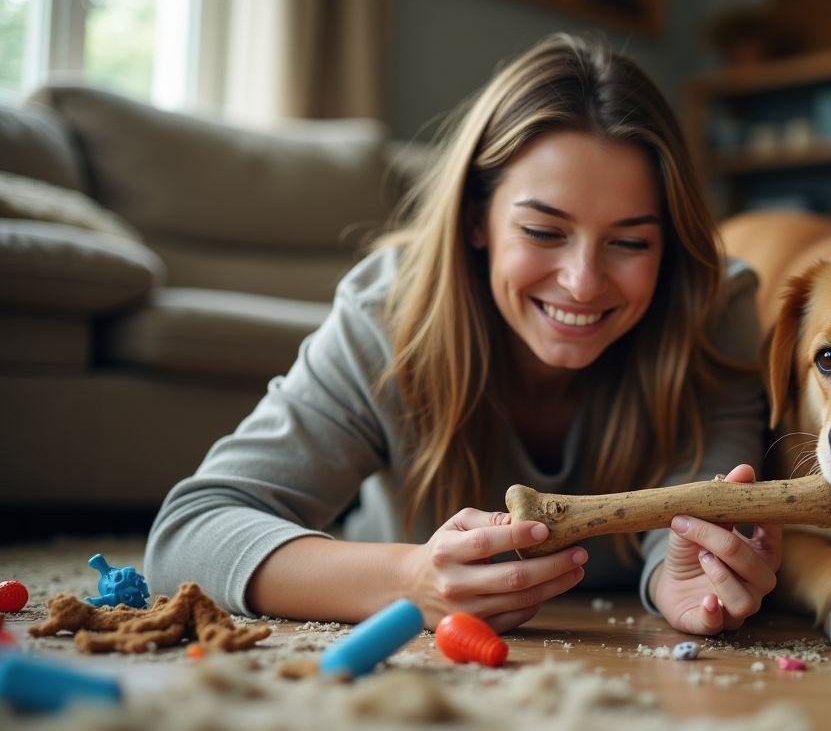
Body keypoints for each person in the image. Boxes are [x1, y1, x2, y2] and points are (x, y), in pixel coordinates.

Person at [145, 33, 778, 636]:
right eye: (543, 231)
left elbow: (693, 525)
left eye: (631, 241)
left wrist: (685, 577)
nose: (583, 283)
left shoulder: (714, 306)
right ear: (478, 219)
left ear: (668, 246)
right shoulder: (385, 314)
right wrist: (407, 579)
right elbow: (187, 534)